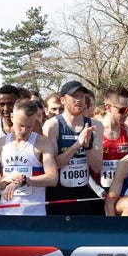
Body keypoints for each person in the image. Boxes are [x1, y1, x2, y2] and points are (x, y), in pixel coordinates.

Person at [42, 81, 103, 215]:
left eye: (81, 96)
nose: (79, 100)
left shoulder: (95, 126)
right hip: (58, 193)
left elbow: (97, 167)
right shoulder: (52, 125)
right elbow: (52, 166)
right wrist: (76, 145)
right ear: (63, 100)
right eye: (74, 96)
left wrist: (87, 146)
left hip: (84, 192)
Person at [0, 98, 58, 215]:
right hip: (5, 213)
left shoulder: (42, 143)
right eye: (20, 125)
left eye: (29, 126)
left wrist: (24, 181)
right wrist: (4, 179)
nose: (24, 130)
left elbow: (53, 179)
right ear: (12, 117)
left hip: (34, 214)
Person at [97, 86, 128, 194]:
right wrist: (98, 191)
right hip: (97, 191)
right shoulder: (95, 130)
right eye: (122, 109)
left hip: (121, 189)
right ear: (108, 107)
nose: (126, 113)